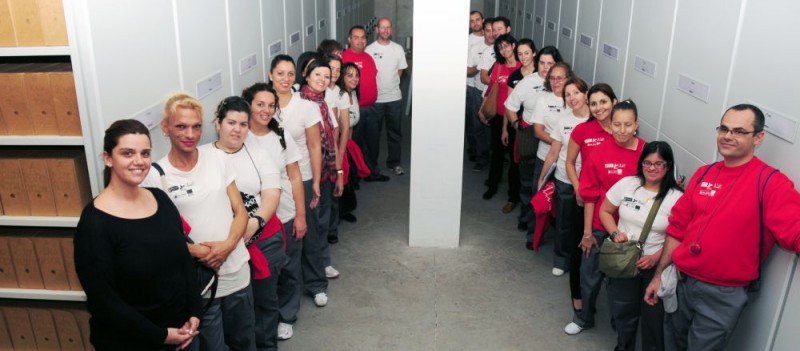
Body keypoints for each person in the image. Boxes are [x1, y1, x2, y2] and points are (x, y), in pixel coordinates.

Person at [644, 104, 800, 350]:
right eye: (724, 128)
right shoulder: (704, 174)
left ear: (758, 137)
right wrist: (659, 275)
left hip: (722, 294)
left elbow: (795, 230)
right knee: (672, 344)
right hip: (682, 282)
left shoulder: (771, 183)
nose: (728, 136)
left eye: (739, 131)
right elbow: (677, 228)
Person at [74, 119, 201, 351]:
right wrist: (160, 335)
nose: (139, 161)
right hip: (133, 342)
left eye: (145, 153)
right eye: (127, 153)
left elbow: (183, 261)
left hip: (182, 333)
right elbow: (104, 301)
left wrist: (194, 311)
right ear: (108, 158)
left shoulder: (160, 199)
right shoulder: (95, 224)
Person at [142, 93, 255, 350]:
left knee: (245, 341)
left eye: (195, 126)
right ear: (165, 127)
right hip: (199, 283)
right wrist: (199, 252)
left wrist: (226, 247)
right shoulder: (155, 176)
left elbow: (240, 211)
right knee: (213, 346)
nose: (189, 133)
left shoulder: (217, 159)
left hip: (236, 269)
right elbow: (157, 238)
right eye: (181, 126)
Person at [209, 96, 283, 351]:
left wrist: (256, 222)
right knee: (234, 311)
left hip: (262, 239)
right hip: (226, 246)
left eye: (243, 124)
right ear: (218, 123)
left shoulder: (259, 154)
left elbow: (273, 192)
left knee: (265, 302)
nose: (237, 129)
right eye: (231, 122)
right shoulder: (205, 156)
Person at [565, 99, 645, 335]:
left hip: (631, 232)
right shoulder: (599, 153)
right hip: (600, 227)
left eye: (627, 125)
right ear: (611, 124)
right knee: (589, 278)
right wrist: (588, 233)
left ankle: (620, 324)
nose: (622, 130)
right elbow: (589, 196)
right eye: (617, 124)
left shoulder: (646, 153)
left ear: (636, 125)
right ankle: (583, 318)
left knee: (623, 285)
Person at [600, 141, 683, 351]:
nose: (652, 168)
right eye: (647, 163)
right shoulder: (628, 184)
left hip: (655, 269)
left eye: (659, 164)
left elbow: (681, 236)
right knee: (623, 313)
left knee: (653, 321)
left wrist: (656, 257)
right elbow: (605, 211)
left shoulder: (677, 198)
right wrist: (615, 233)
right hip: (625, 263)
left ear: (668, 166)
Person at [242, 83, 307, 341]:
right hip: (254, 223)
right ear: (248, 106)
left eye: (271, 105)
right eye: (260, 104)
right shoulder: (239, 136)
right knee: (264, 274)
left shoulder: (281, 136)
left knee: (289, 269)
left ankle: (287, 315)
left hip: (286, 212)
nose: (266, 110)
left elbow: (295, 176)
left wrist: (301, 216)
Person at [267, 55, 331, 307]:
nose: (285, 79)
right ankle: (283, 297)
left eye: (290, 73)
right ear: (271, 74)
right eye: (280, 73)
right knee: (283, 239)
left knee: (309, 233)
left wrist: (316, 180)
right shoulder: (262, 105)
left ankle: (316, 284)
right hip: (272, 182)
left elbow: (315, 146)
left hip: (302, 177)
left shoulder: (305, 106)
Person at [562, 83, 618, 313]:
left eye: (603, 102)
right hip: (586, 201)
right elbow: (569, 162)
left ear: (614, 102)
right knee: (580, 249)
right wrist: (578, 188)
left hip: (614, 205)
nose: (598, 108)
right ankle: (578, 294)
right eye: (593, 103)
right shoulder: (582, 131)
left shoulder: (622, 130)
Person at [538, 77, 589, 315]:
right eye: (568, 94)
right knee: (565, 225)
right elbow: (554, 151)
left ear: (585, 94)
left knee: (585, 229)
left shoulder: (597, 121)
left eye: (576, 92)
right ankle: (561, 260)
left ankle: (582, 265)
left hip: (590, 186)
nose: (572, 98)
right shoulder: (563, 121)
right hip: (566, 180)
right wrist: (543, 176)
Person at [505, 45, 563, 241]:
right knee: (529, 183)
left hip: (558, 142)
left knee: (553, 186)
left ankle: (545, 224)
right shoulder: (527, 83)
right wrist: (517, 127)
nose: (546, 68)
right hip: (530, 135)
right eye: (542, 63)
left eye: (550, 64)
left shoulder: (564, 85)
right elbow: (510, 106)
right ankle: (527, 218)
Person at [298, 57, 344, 280]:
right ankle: (315, 269)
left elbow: (333, 140)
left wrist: (339, 173)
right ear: (306, 75)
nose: (322, 79)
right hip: (308, 174)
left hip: (326, 172)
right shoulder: (300, 103)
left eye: (327, 76)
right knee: (312, 223)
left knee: (323, 221)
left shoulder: (323, 102)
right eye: (317, 74)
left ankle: (323, 262)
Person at [342, 25, 388, 182]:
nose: (360, 41)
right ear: (349, 40)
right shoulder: (344, 58)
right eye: (356, 37)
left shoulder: (368, 57)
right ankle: (354, 176)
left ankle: (372, 172)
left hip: (371, 107)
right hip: (354, 110)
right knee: (355, 145)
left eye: (363, 38)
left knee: (373, 143)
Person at [365, 16, 409, 176]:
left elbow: (400, 70)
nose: (385, 30)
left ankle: (394, 163)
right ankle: (372, 166)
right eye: (382, 27)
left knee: (395, 133)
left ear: (391, 29)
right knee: (373, 135)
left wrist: (391, 83)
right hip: (375, 100)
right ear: (377, 29)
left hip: (394, 98)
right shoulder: (369, 50)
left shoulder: (397, 49)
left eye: (388, 27)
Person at [482, 33, 520, 204]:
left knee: (514, 158)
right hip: (498, 116)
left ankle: (514, 195)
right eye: (500, 48)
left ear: (513, 45)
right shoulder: (499, 65)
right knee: (496, 153)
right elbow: (491, 88)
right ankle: (492, 184)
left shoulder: (522, 67)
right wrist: (482, 109)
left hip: (515, 120)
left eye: (506, 46)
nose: (504, 50)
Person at [324, 54, 352, 244]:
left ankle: (332, 229)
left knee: (334, 189)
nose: (334, 73)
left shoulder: (341, 94)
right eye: (330, 68)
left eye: (337, 69)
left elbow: (345, 128)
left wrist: (339, 157)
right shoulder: (316, 90)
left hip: (334, 148)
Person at [336, 62, 364, 224]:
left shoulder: (352, 93)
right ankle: (339, 214)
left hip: (347, 143)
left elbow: (351, 124)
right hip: (339, 144)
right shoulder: (340, 96)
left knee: (349, 176)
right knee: (342, 178)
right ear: (342, 77)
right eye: (349, 75)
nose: (354, 79)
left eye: (356, 75)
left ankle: (345, 210)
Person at [467, 16, 495, 172]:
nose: (491, 34)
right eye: (488, 30)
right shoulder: (474, 48)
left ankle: (494, 155)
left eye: (494, 30)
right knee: (477, 126)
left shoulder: (501, 49)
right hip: (478, 90)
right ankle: (481, 158)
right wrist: (479, 67)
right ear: (483, 31)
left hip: (497, 93)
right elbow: (468, 71)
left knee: (494, 127)